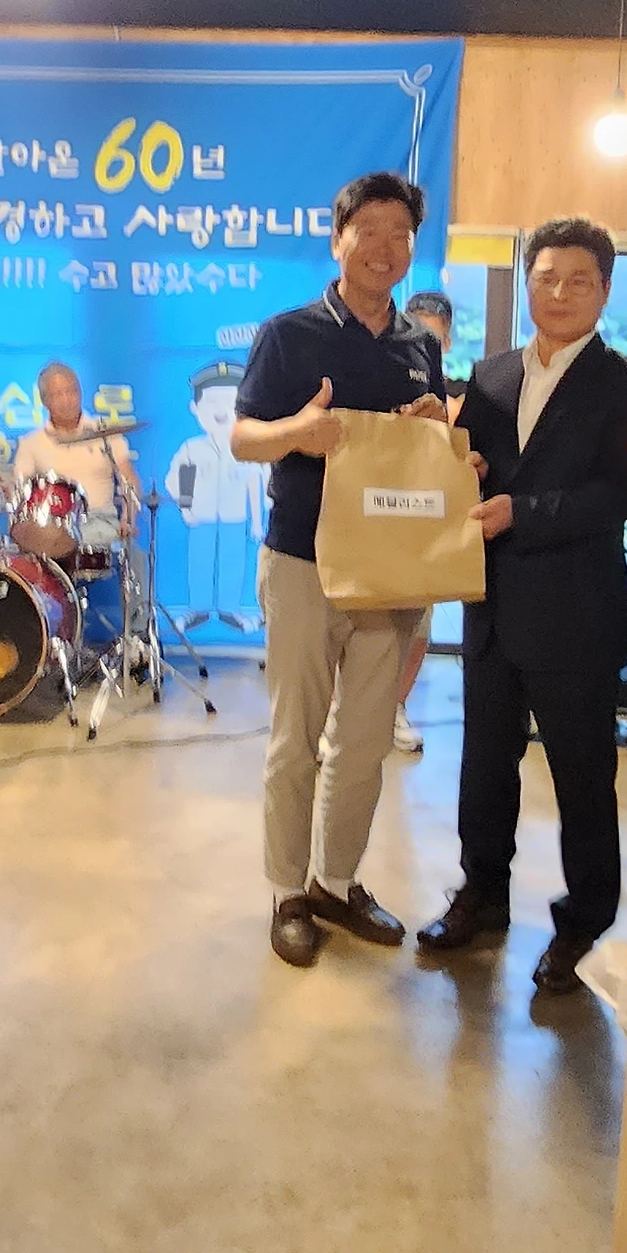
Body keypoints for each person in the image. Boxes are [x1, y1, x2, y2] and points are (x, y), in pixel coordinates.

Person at [418, 218, 627, 995]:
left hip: (577, 614)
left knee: (583, 779)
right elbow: (473, 470)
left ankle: (583, 923)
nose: (560, 292)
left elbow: (623, 494)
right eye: (546, 277)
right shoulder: (489, 375)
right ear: (527, 283)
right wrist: (451, 456)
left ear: (605, 291)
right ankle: (482, 894)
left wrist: (521, 512)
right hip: (492, 606)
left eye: (578, 280)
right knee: (484, 767)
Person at [232, 171, 446, 969]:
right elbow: (242, 438)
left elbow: (431, 452)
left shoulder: (421, 345)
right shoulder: (288, 333)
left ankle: (336, 880)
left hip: (391, 567)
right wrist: (297, 430)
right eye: (370, 230)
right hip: (304, 558)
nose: (385, 247)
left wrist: (433, 424)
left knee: (364, 742)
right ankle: (287, 891)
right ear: (338, 239)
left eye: (401, 234)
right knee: (296, 740)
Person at [390, 288, 459, 756]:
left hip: (427, 526)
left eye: (433, 337)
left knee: (417, 626)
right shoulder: (379, 380)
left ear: (446, 342)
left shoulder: (461, 394)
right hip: (374, 520)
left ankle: (395, 708)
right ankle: (339, 715)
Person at [164, 361, 264, 633]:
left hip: (234, 516)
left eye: (230, 403)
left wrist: (257, 521)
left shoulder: (246, 446)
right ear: (195, 408)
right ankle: (198, 609)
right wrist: (185, 508)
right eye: (212, 402)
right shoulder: (192, 448)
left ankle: (230, 610)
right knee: (200, 561)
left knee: (233, 561)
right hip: (202, 516)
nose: (221, 411)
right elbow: (180, 478)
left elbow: (254, 482)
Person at [12, 361, 139, 547]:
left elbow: (130, 481)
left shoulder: (105, 433)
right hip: (52, 530)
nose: (66, 400)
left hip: (101, 524)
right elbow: (19, 493)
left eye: (72, 392)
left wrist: (128, 520)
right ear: (44, 401)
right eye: (58, 395)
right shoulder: (31, 443)